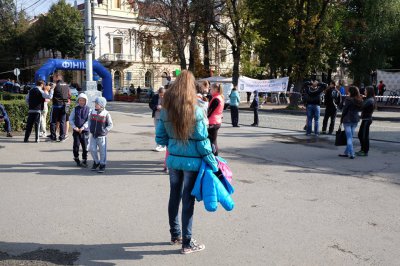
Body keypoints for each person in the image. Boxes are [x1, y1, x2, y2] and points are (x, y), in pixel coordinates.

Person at [155, 70, 218, 254]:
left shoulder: (167, 111)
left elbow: (160, 139)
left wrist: (174, 145)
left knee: (174, 196)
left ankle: (175, 235)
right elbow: (202, 140)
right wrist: (211, 161)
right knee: (188, 200)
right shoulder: (196, 111)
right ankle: (187, 243)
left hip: (174, 162)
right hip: (192, 163)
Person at [89, 96, 113, 173]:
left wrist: (105, 130)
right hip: (93, 135)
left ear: (101, 105)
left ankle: (102, 164)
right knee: (92, 149)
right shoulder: (92, 111)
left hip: (102, 136)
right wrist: (90, 128)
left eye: (96, 103)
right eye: (95, 103)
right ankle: (96, 162)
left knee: (102, 152)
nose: (95, 105)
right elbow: (89, 120)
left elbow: (110, 124)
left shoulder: (106, 113)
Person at [338, 86, 363, 159]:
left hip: (347, 120)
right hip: (355, 119)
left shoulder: (348, 99)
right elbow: (360, 108)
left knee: (349, 137)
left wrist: (342, 118)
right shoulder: (359, 99)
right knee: (350, 137)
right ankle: (346, 152)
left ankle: (352, 153)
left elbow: (344, 110)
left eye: (348, 91)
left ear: (351, 92)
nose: (347, 92)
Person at [69, 93, 91, 167]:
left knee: (85, 146)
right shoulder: (75, 109)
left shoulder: (89, 109)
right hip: (76, 131)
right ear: (78, 101)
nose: (81, 102)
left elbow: (89, 120)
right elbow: (71, 119)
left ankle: (84, 160)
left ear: (86, 101)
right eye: (80, 100)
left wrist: (83, 127)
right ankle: (76, 158)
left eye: (83, 100)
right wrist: (74, 127)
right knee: (76, 146)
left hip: (85, 131)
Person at [49, 73, 70, 142]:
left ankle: (53, 137)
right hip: (64, 105)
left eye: (54, 77)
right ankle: (62, 137)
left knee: (53, 121)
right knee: (63, 121)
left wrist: (52, 89)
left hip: (56, 105)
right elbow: (69, 95)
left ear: (57, 77)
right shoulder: (66, 85)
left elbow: (51, 96)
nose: (53, 78)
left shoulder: (54, 85)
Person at [356, 86, 376, 156]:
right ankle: (362, 149)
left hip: (367, 119)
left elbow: (362, 106)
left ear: (369, 92)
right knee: (361, 135)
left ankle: (365, 151)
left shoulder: (370, 100)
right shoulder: (369, 99)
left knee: (364, 136)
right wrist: (362, 98)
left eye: (365, 90)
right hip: (365, 119)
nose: (364, 92)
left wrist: (360, 99)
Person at [207, 83, 224, 155]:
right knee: (213, 140)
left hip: (213, 122)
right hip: (217, 121)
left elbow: (209, 111)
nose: (210, 90)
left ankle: (214, 156)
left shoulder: (216, 99)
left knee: (212, 141)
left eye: (211, 89)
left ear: (216, 89)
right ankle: (214, 155)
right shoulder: (219, 97)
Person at [150, 86, 166, 152]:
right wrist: (156, 107)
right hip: (156, 116)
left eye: (163, 95)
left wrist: (163, 107)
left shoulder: (167, 98)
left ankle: (164, 146)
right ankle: (158, 145)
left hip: (164, 118)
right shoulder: (155, 97)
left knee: (164, 132)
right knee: (157, 131)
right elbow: (150, 104)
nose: (162, 97)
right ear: (158, 93)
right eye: (160, 95)